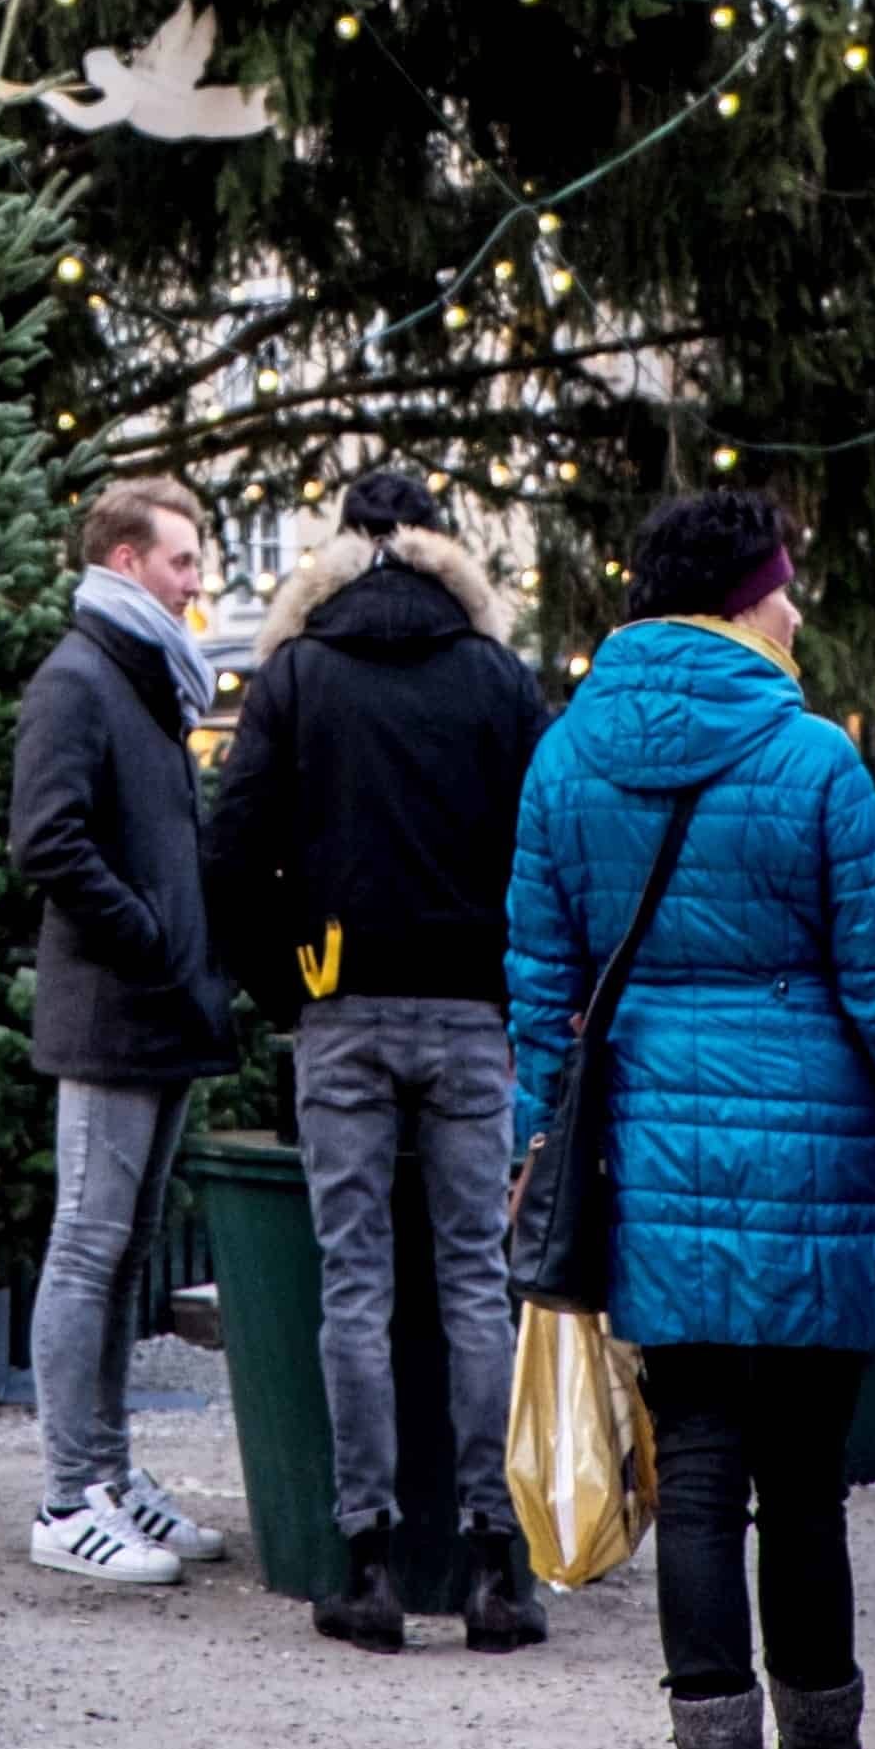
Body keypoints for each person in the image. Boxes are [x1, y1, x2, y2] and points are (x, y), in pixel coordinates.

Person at [508, 486, 875, 1749]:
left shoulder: (567, 754)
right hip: (815, 1146)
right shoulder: (813, 755)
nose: (799, 609)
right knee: (805, 1480)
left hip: (651, 1146)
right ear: (749, 598)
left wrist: (537, 1138)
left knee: (694, 1474)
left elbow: (540, 980)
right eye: (788, 586)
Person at [205, 461, 551, 1654]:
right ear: (445, 547)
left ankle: (363, 1561)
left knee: (354, 1281)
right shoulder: (500, 679)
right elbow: (544, 852)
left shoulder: (297, 674)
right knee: (474, 1282)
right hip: (471, 1014)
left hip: (340, 1005)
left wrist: (291, 982)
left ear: (337, 549)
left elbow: (232, 854)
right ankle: (494, 1566)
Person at [8, 474, 238, 1589]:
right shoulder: (83, 678)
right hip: (112, 1010)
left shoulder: (151, 682)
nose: (198, 583)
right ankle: (67, 1496)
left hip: (161, 1009)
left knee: (124, 1252)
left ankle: (107, 1473)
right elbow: (47, 840)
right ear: (127, 562)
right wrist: (149, 936)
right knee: (89, 1248)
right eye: (183, 561)